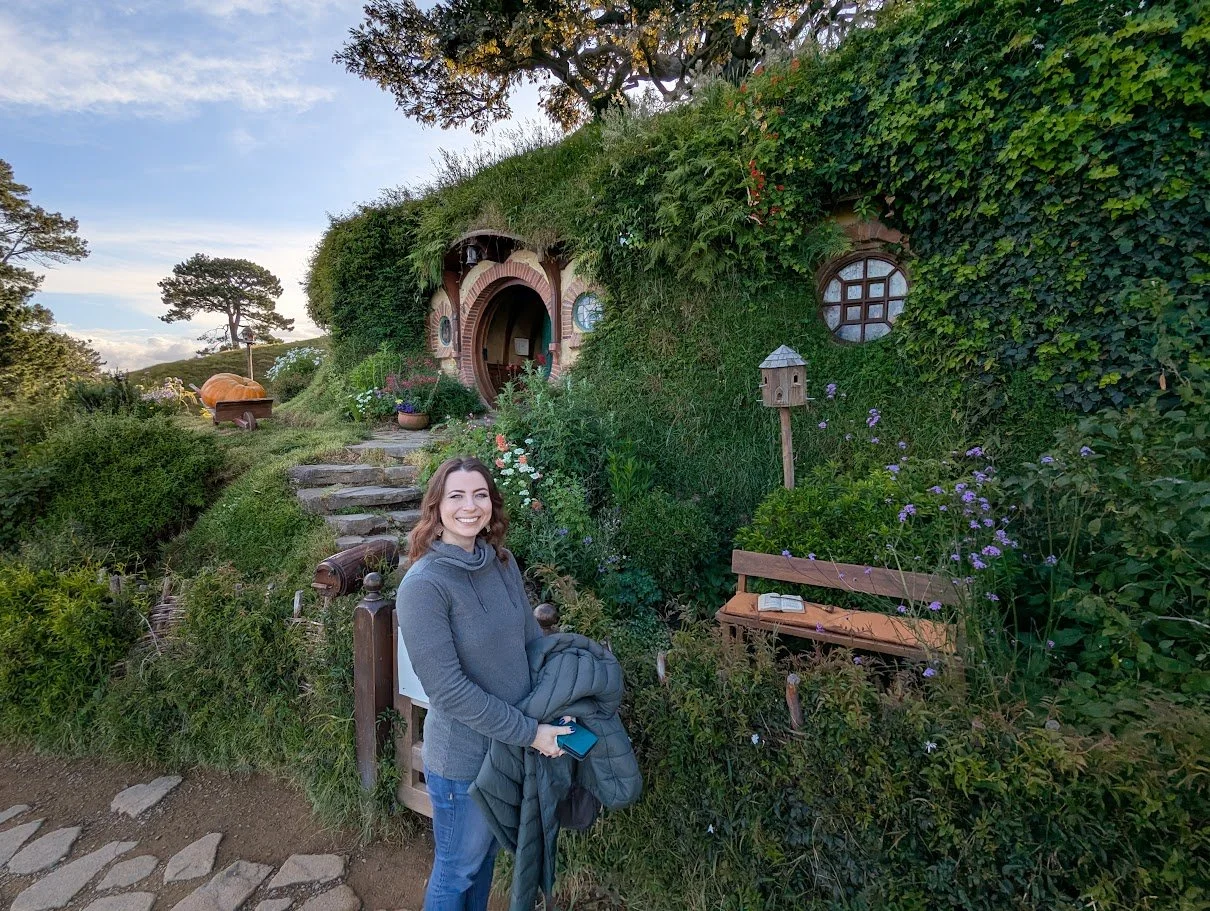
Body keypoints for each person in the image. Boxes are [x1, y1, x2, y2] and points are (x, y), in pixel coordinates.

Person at [396, 456, 572, 911]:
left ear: (492, 504)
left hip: (509, 748)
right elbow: (449, 691)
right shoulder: (423, 585)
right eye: (456, 496)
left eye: (480, 495)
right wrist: (532, 733)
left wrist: (558, 702)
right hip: (464, 761)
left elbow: (531, 643)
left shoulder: (501, 562)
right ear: (436, 507)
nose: (469, 506)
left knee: (486, 861)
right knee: (457, 870)